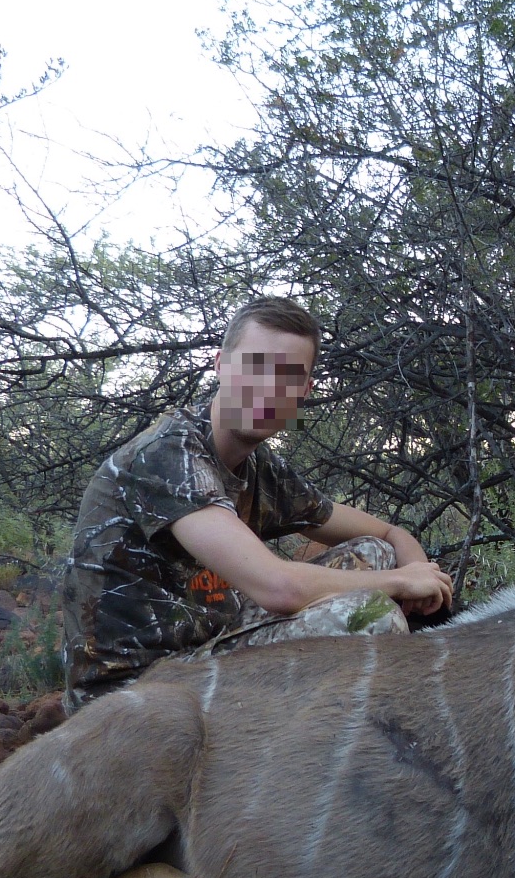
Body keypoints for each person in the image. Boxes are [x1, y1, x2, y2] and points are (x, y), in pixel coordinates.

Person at [61, 297, 455, 710]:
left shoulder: (259, 466)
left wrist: (417, 570)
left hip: (204, 651)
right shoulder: (166, 454)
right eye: (255, 366)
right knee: (372, 615)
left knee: (374, 553)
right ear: (220, 365)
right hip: (131, 697)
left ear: (305, 391)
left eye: (289, 377)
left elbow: (387, 534)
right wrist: (402, 582)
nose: (269, 388)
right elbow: (279, 589)